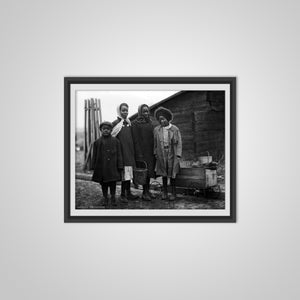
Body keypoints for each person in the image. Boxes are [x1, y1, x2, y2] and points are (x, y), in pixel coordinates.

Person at [92, 121, 123, 208]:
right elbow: (94, 156)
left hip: (113, 168)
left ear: (111, 130)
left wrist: (120, 165)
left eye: (108, 129)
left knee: (113, 183)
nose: (106, 131)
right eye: (104, 129)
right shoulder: (97, 142)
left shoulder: (116, 141)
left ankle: (113, 197)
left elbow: (119, 154)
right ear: (101, 130)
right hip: (102, 168)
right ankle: (105, 197)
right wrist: (93, 166)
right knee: (104, 184)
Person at [111, 103, 139, 202]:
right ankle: (122, 195)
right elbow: (112, 138)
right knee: (124, 174)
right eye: (123, 110)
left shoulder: (128, 122)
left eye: (127, 110)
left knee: (129, 174)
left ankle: (128, 193)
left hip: (129, 152)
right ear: (119, 111)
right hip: (122, 153)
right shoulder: (115, 123)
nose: (125, 112)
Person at [153, 107, 182, 201]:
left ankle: (173, 193)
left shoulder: (175, 129)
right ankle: (164, 192)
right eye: (160, 119)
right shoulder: (157, 130)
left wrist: (178, 155)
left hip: (172, 153)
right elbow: (155, 143)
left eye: (163, 119)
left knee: (172, 173)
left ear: (168, 119)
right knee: (163, 173)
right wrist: (155, 153)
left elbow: (179, 143)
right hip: (161, 153)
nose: (162, 121)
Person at [132, 104, 156, 201]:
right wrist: (139, 154)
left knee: (149, 172)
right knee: (144, 173)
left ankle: (147, 190)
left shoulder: (150, 122)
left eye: (147, 111)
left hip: (150, 152)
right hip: (142, 152)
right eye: (144, 111)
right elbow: (136, 140)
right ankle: (144, 192)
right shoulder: (135, 123)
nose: (146, 113)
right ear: (140, 112)